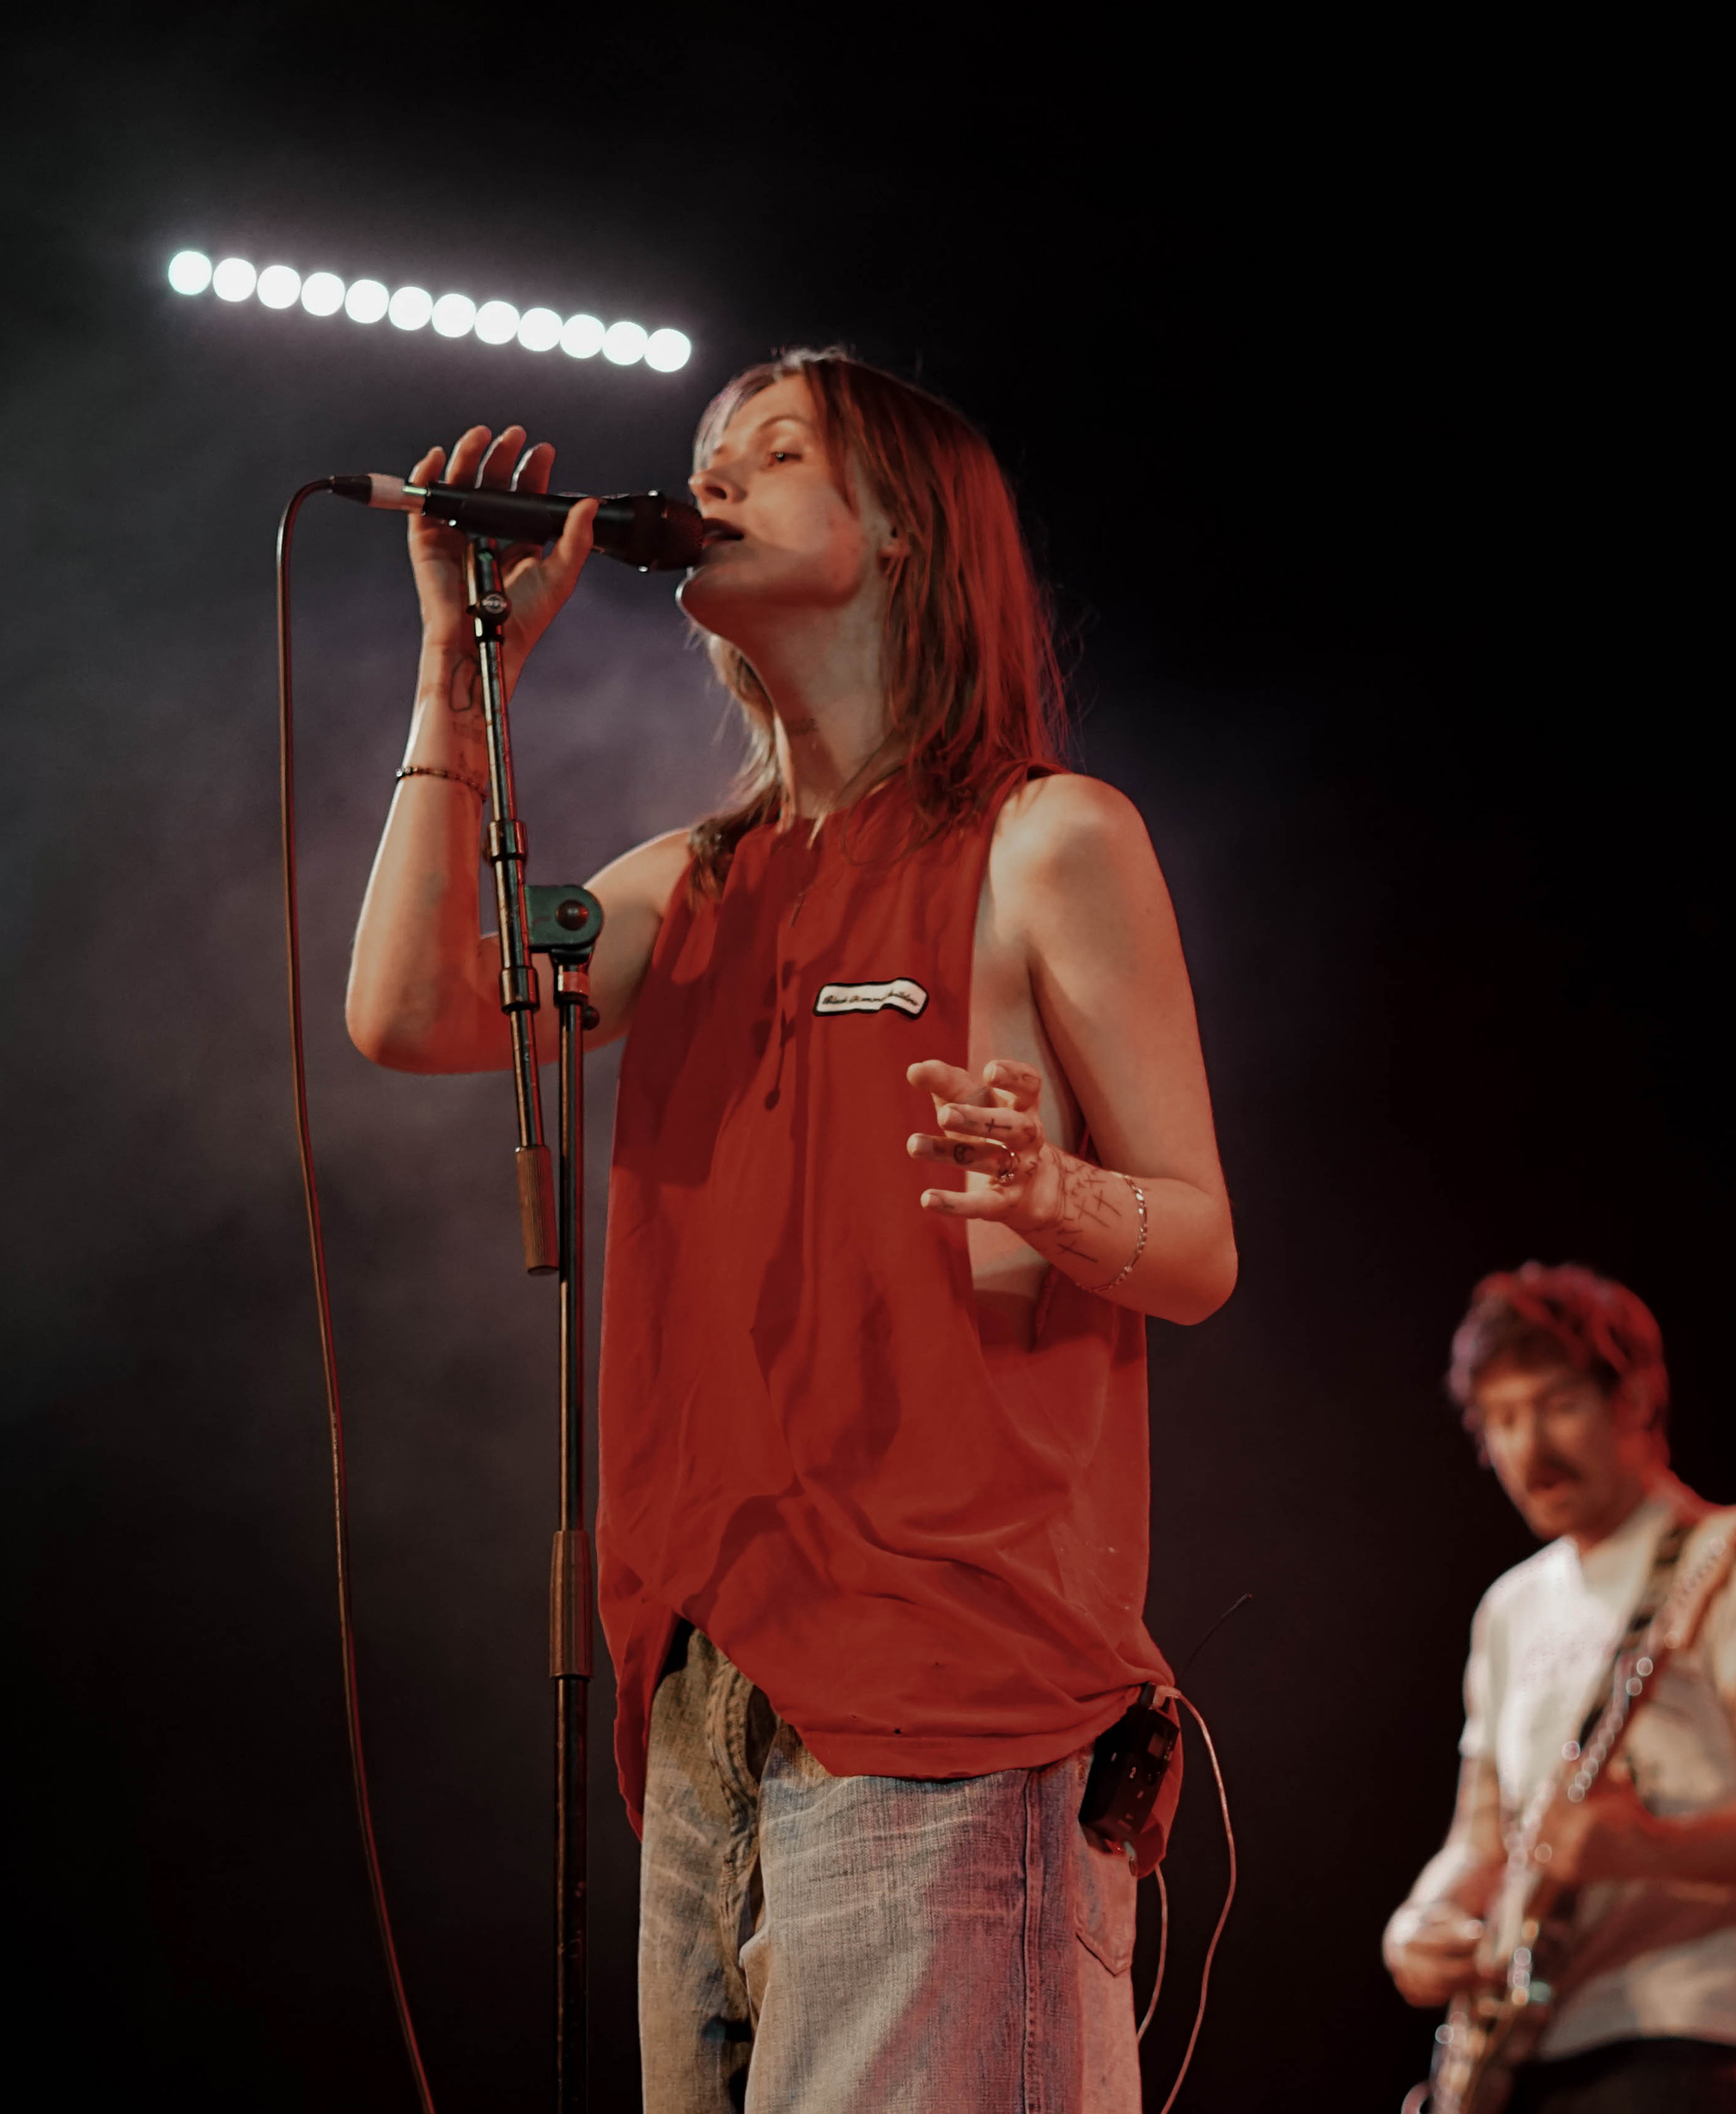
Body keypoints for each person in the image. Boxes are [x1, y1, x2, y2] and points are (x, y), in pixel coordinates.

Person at [343, 350, 1237, 2111]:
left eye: (772, 453)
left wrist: (1051, 1192)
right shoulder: (694, 881)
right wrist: (462, 675)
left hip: (951, 1689)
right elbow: (409, 1010)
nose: (714, 486)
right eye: (707, 459)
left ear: (902, 530)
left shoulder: (1047, 841)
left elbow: (1200, 1243)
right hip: (710, 1693)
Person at [1384, 1264, 1736, 2113]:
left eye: (1558, 1404)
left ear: (1636, 1398)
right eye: (1502, 1418)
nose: (1529, 1446)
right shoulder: (1508, 1608)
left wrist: (1645, 1846)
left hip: (1685, 2037)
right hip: (1521, 2058)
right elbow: (1482, 1836)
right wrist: (1418, 1924)